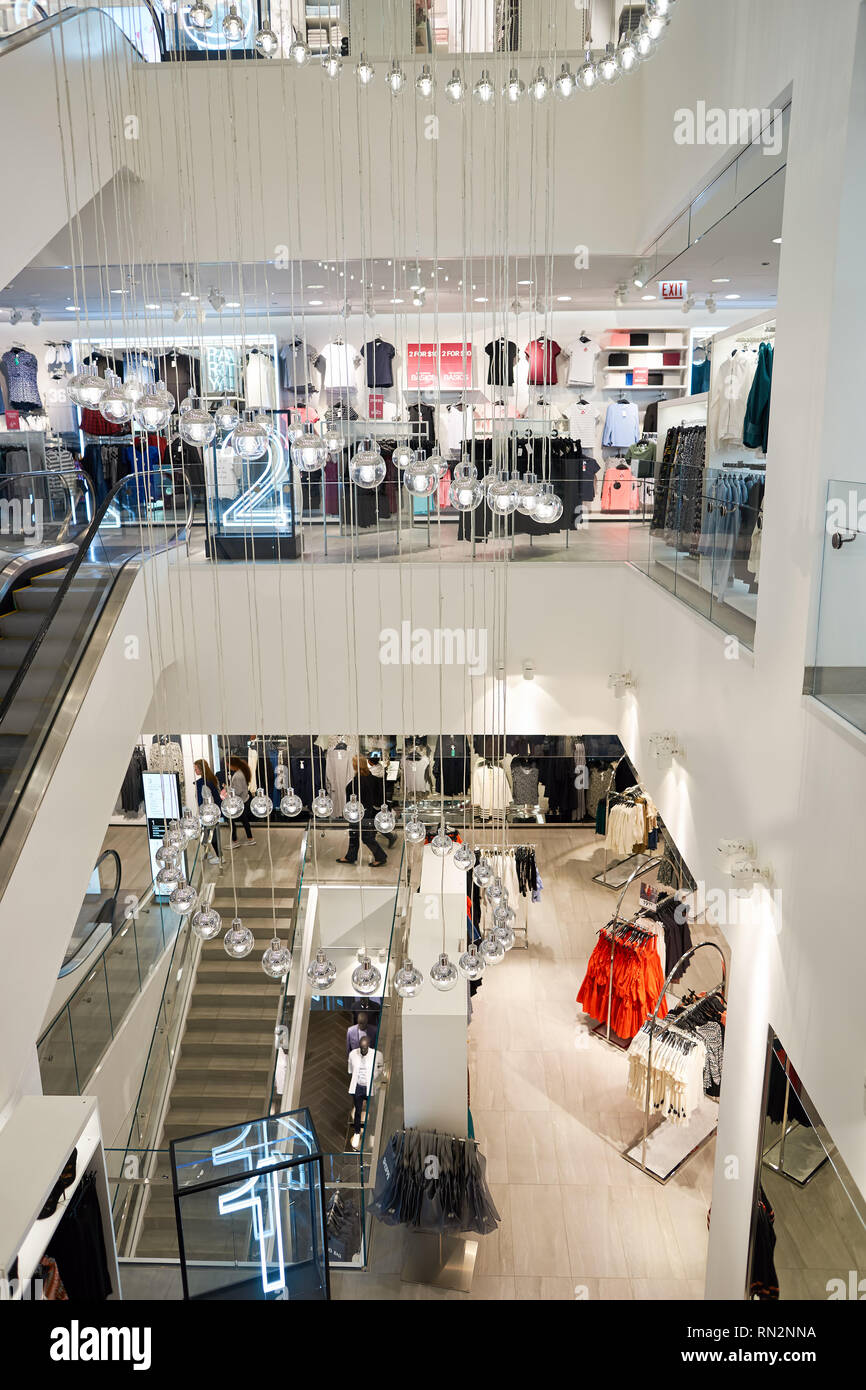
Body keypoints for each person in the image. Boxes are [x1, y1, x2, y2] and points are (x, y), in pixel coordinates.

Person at [336, 754, 387, 867]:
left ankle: (381, 856)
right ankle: (351, 856)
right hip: (366, 810)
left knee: (365, 836)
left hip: (359, 811)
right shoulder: (370, 777)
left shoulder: (358, 781)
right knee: (355, 834)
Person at [347, 1034, 383, 1150]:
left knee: (372, 1111)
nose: (363, 1050)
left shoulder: (377, 1055)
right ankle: (357, 1132)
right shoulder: (353, 1054)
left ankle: (372, 1133)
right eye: (362, 1048)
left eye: (365, 1048)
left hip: (370, 1087)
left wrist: (374, 1076)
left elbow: (380, 1067)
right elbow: (350, 1069)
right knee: (358, 1110)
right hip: (358, 1086)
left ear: (368, 1046)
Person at [194, 758, 223, 864]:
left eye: (196, 769)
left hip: (209, 813)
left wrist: (205, 813)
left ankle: (220, 857)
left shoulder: (203, 783)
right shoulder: (211, 779)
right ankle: (208, 852)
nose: (195, 771)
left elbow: (207, 799)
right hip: (213, 810)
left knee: (212, 834)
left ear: (201, 770)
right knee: (205, 833)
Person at [226, 756, 255, 846]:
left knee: (230, 820)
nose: (227, 767)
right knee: (244, 820)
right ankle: (249, 838)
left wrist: (228, 790)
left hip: (239, 801)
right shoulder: (241, 772)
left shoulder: (238, 776)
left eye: (228, 765)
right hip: (243, 800)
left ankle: (235, 840)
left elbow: (238, 791)